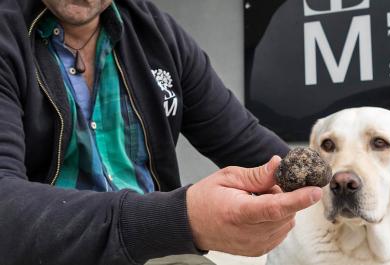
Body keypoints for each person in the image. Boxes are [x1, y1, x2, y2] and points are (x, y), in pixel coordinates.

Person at [0, 0, 322, 264]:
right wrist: (180, 219)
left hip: (157, 252)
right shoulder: (7, 33)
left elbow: (246, 141)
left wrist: (321, 177)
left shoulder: (156, 34)